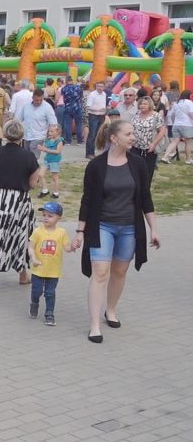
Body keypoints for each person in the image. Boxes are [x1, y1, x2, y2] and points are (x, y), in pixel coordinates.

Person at [75, 120, 160, 343]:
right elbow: (87, 200)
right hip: (102, 226)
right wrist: (80, 231)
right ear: (114, 138)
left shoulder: (138, 164)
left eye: (133, 133)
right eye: (128, 134)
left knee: (120, 271)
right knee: (101, 272)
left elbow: (145, 197)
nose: (133, 137)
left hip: (129, 227)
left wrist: (153, 229)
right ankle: (94, 325)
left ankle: (110, 310)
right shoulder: (96, 166)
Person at [0, 120, 39, 295]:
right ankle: (23, 274)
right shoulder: (29, 156)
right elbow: (33, 184)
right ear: (22, 136)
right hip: (18, 200)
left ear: (4, 134)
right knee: (21, 234)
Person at [29, 201, 71, 327]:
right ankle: (34, 303)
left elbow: (67, 248)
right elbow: (30, 247)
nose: (46, 218)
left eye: (50, 216)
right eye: (44, 215)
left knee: (50, 293)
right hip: (38, 269)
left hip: (53, 271)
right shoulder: (37, 231)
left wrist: (73, 246)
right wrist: (33, 258)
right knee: (36, 291)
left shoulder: (62, 232)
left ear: (58, 218)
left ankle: (49, 314)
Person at [16, 87, 58, 158]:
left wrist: (52, 136)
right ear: (32, 98)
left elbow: (53, 123)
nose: (39, 102)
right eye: (36, 100)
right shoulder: (26, 106)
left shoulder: (47, 107)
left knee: (33, 156)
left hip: (39, 136)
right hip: (26, 136)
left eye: (41, 100)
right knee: (25, 156)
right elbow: (19, 119)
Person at [162, 90, 193, 164]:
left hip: (176, 125)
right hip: (187, 125)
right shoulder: (189, 103)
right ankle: (188, 159)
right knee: (187, 142)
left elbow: (172, 115)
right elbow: (191, 113)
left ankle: (165, 157)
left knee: (174, 142)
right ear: (189, 95)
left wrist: (174, 122)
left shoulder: (176, 103)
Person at [37, 124, 63, 198]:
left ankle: (56, 193)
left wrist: (46, 149)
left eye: (52, 131)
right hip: (47, 160)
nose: (50, 133)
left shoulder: (59, 141)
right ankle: (45, 190)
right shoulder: (47, 140)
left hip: (54, 161)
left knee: (54, 178)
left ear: (58, 132)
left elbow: (58, 151)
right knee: (40, 174)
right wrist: (41, 148)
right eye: (49, 131)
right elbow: (45, 148)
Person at [85, 82, 108, 159]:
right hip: (93, 115)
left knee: (98, 134)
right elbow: (88, 106)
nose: (100, 88)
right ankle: (89, 153)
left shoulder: (104, 94)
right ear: (96, 87)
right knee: (92, 134)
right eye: (98, 86)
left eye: (101, 86)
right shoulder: (92, 95)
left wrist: (104, 110)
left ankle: (94, 151)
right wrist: (98, 110)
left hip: (101, 115)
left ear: (104, 87)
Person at [60, 77, 84, 145]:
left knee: (68, 125)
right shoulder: (78, 87)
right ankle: (79, 141)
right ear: (72, 80)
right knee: (78, 124)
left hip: (68, 108)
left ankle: (68, 141)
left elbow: (63, 97)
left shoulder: (63, 89)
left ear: (66, 81)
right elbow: (81, 96)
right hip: (77, 108)